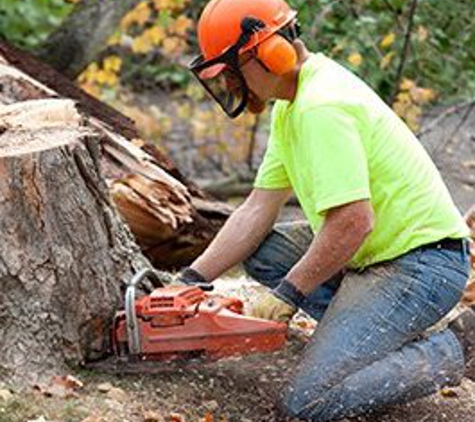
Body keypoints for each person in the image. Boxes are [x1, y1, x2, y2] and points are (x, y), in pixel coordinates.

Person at [178, 0, 474, 420]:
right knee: (264, 252)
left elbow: (353, 222)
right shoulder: (292, 103)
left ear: (267, 53)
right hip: (374, 251)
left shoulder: (322, 106)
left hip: (421, 264)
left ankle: (457, 348)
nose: (228, 83)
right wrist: (191, 280)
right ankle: (371, 334)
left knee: (308, 403)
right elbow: (255, 209)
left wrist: (290, 292)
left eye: (230, 71)